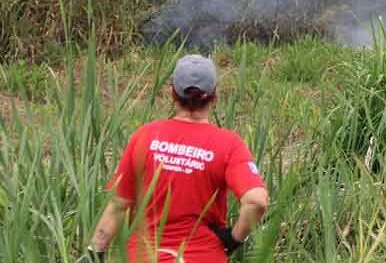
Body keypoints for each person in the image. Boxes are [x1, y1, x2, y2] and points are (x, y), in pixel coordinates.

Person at [84, 54, 269, 263]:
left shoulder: (145, 136)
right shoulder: (229, 144)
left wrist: (95, 251)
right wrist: (234, 238)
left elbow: (119, 204)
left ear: (172, 93)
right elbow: (256, 201)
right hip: (203, 257)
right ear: (214, 95)